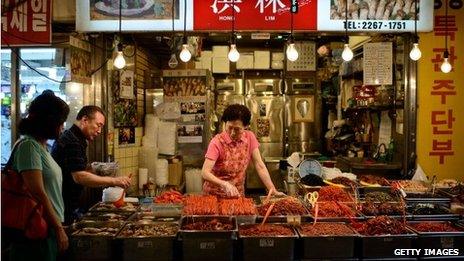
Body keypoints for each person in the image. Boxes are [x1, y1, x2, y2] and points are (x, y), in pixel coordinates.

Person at [7, 90, 70, 260]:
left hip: (46, 228)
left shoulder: (42, 147)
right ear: (49, 122)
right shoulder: (28, 146)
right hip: (35, 229)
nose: (63, 127)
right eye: (61, 122)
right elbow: (37, 191)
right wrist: (58, 227)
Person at [51, 106, 131, 225]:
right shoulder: (72, 141)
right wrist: (114, 181)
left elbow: (76, 168)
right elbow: (79, 176)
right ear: (84, 120)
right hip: (62, 207)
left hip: (68, 206)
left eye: (101, 127)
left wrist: (98, 169)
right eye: (98, 125)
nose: (99, 131)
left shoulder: (76, 138)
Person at [202, 104, 284, 197]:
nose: (232, 133)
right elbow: (205, 172)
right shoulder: (216, 142)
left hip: (237, 195)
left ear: (246, 126)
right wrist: (224, 184)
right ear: (225, 123)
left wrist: (271, 188)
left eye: (237, 129)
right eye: (229, 127)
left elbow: (259, 165)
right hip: (214, 196)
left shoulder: (250, 137)